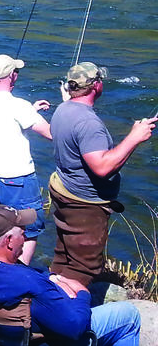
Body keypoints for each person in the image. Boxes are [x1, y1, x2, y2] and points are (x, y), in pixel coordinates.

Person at [0, 205, 141, 346]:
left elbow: (30, 278)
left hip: (0, 334)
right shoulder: (30, 285)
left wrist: (53, 279)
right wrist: (82, 293)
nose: (26, 237)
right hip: (48, 338)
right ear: (8, 241)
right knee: (129, 315)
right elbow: (75, 329)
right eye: (23, 233)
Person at [48, 62, 156, 286]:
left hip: (65, 191)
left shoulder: (64, 109)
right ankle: (69, 313)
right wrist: (134, 137)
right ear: (96, 86)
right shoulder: (88, 123)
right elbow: (102, 168)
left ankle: (52, 290)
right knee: (85, 265)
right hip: (84, 204)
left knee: (65, 252)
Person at [0, 54, 52, 266]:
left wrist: (31, 110)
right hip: (17, 178)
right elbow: (51, 133)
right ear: (11, 76)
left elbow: (3, 116)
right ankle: (20, 276)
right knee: (29, 230)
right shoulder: (19, 105)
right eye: (15, 71)